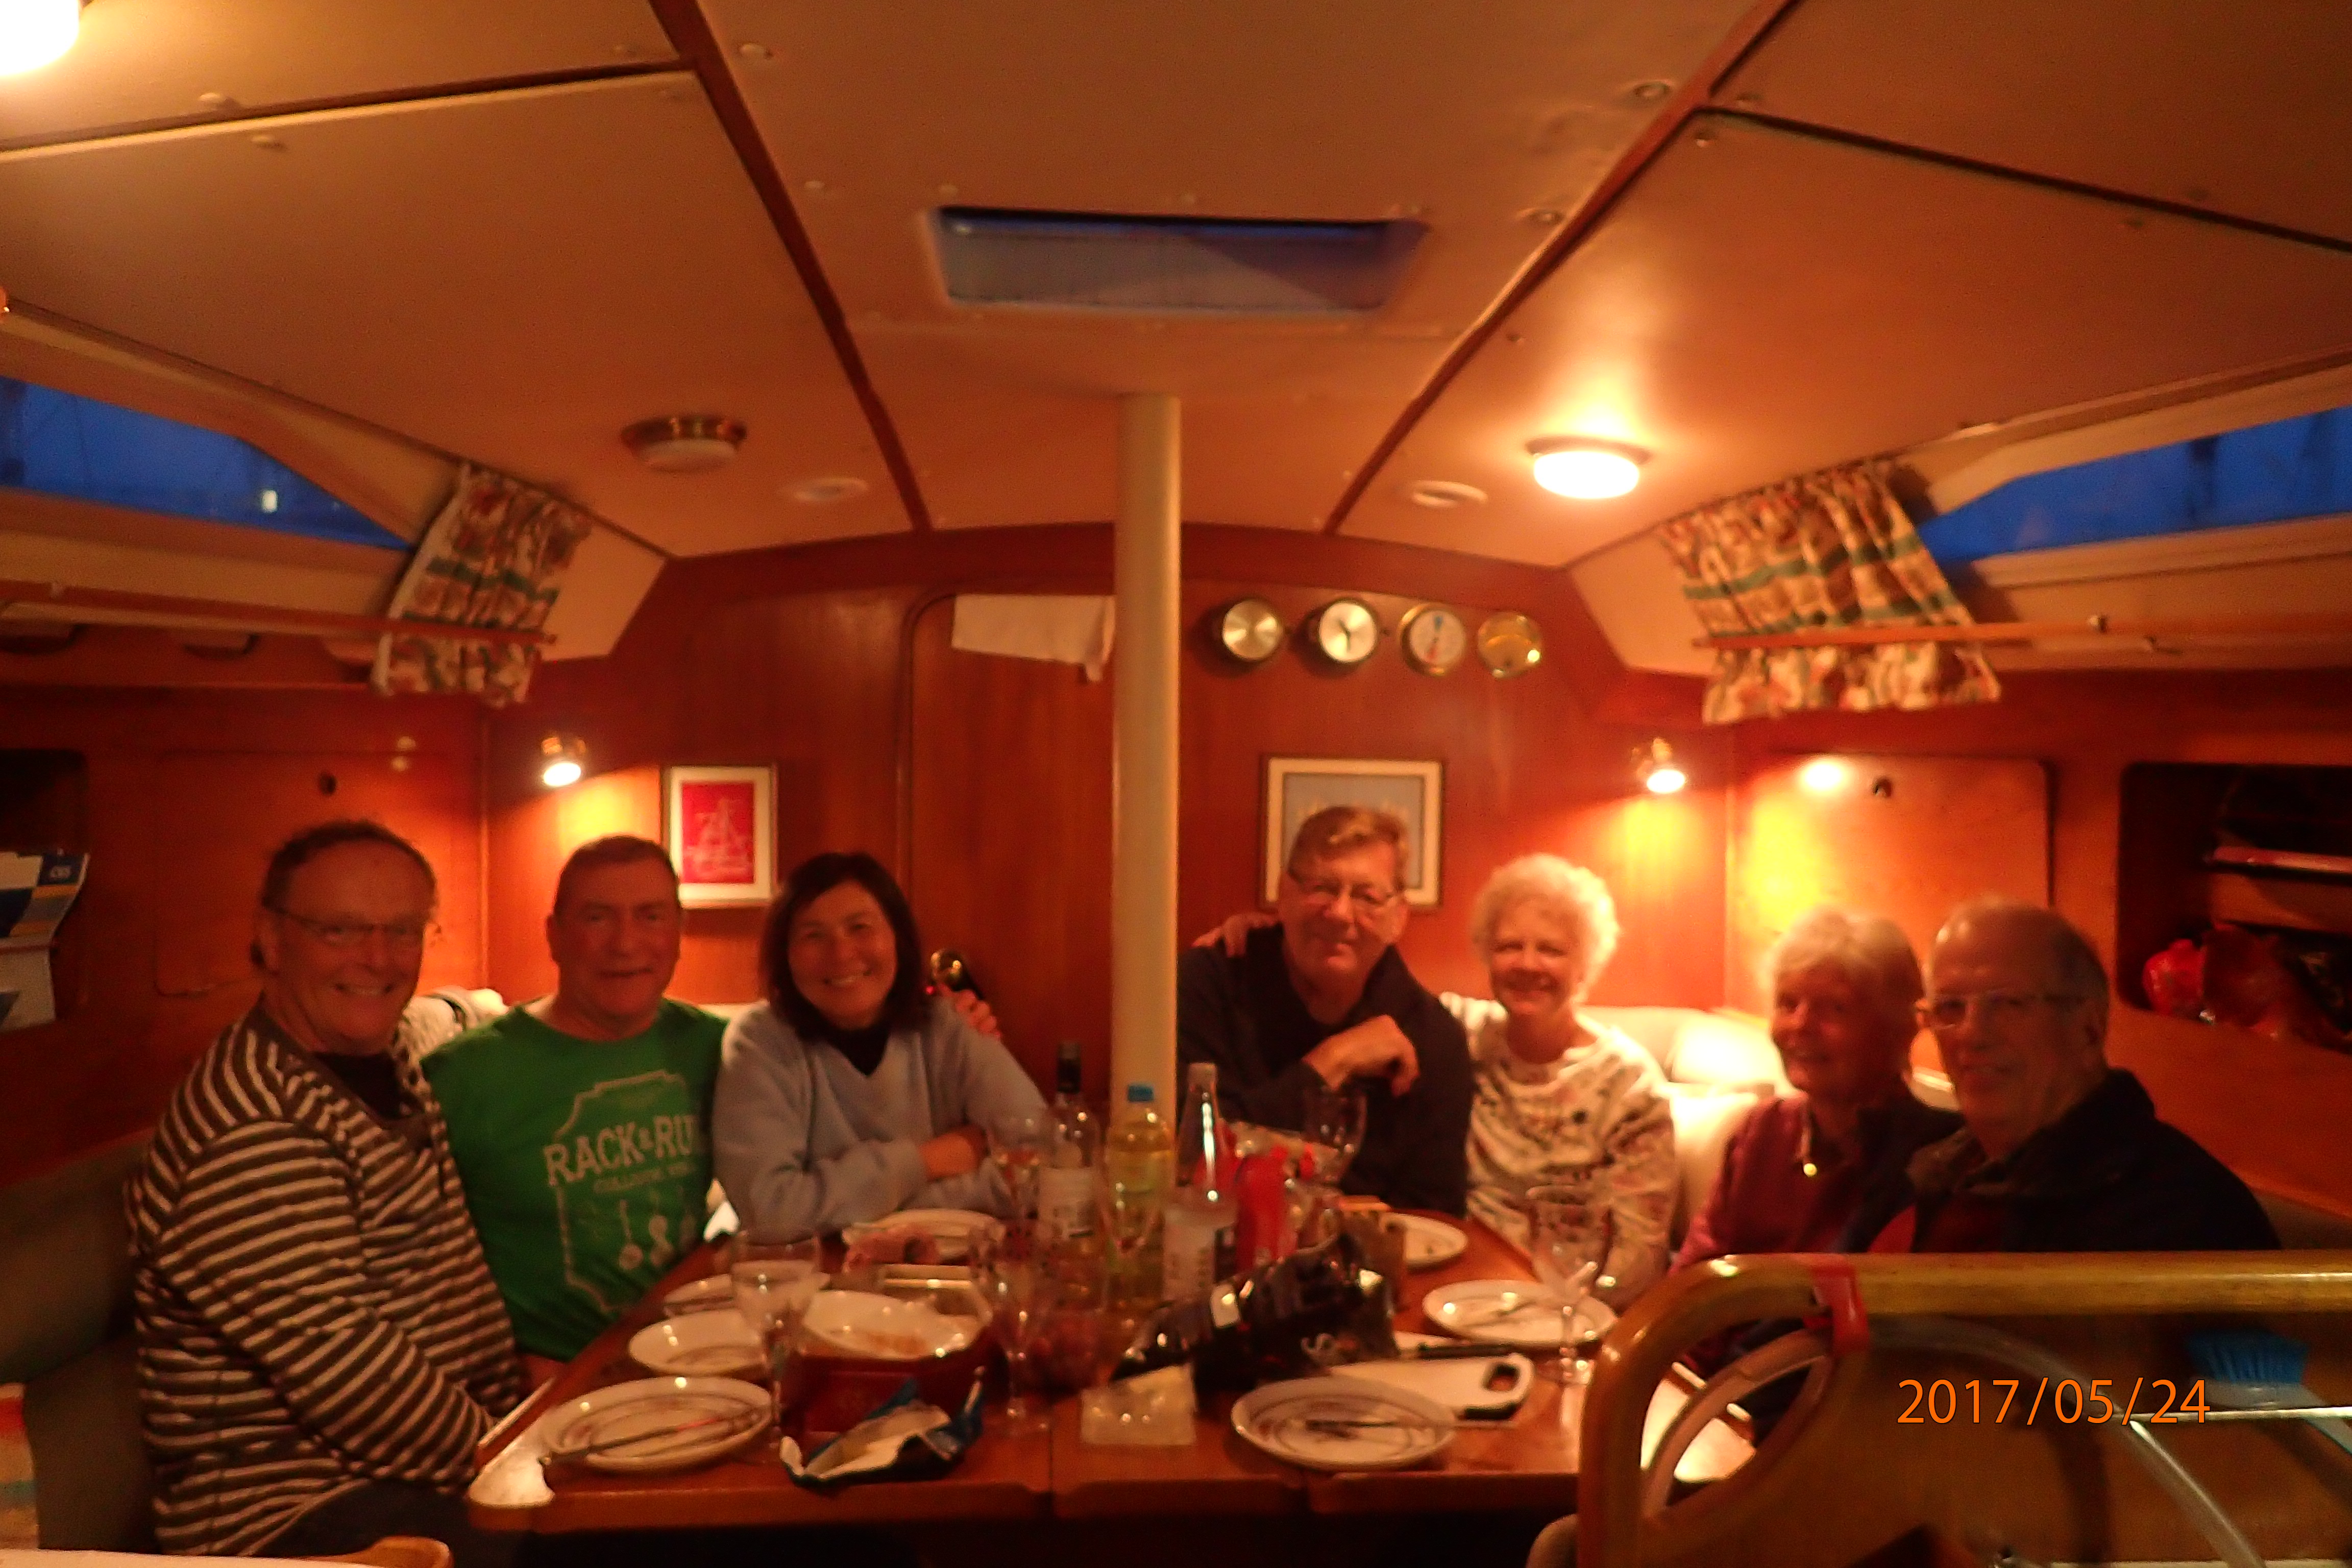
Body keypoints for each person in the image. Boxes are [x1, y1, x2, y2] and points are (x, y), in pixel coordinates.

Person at [125, 821, 522, 1565]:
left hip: (413, 1471)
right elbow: (357, 1384)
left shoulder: (385, 1056)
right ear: (272, 940)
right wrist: (524, 1458)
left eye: (403, 930)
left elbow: (457, 1283)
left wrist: (530, 1415)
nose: (378, 958)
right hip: (288, 1517)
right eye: (340, 930)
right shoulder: (252, 1124)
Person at [425, 835, 724, 1366]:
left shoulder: (719, 1049)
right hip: (551, 1381)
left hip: (697, 1359)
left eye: (650, 916)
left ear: (678, 932)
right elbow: (414, 1270)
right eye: (597, 918)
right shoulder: (461, 1078)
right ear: (555, 936)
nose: (625, 943)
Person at [1857, 897, 2277, 1253]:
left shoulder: (2179, 1216)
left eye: (2009, 1004)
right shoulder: (1937, 1172)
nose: (1971, 1034)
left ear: (2087, 1028)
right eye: (1950, 1007)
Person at [714, 851, 1046, 1237]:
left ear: (897, 938)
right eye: (813, 935)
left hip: (945, 1262)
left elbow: (1044, 1167)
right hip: (815, 1270)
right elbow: (770, 1211)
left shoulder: (950, 1025)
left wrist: (886, 1211)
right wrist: (926, 1162)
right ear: (785, 956)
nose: (841, 954)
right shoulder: (760, 1042)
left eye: (860, 928)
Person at [1178, 805, 1473, 1214]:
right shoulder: (1211, 983)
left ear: (1398, 918)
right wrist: (1334, 1060)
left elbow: (1434, 1215)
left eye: (1367, 897)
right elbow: (1193, 1160)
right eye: (1321, 888)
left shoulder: (1434, 1038)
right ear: (1284, 894)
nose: (1339, 913)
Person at [1442, 855, 1676, 1300]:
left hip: (1572, 1305)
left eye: (1551, 950)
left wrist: (1572, 1315)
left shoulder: (1628, 1085)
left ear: (1585, 965)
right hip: (1463, 1291)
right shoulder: (1465, 1037)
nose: (1528, 964)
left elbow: (1638, 1258)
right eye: (1510, 947)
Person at [1675, 905, 1959, 1270]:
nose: (1801, 1026)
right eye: (1788, 1004)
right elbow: (1693, 1275)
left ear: (1898, 1029)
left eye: (1834, 1009)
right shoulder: (1763, 1131)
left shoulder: (1936, 1160)